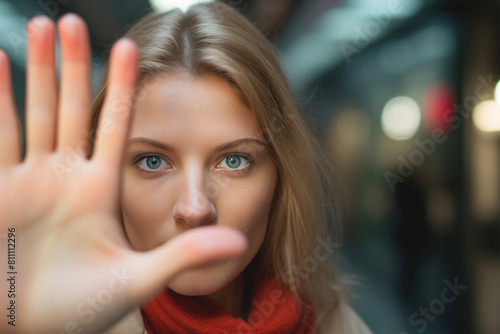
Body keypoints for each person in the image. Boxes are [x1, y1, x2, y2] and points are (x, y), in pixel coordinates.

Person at [0, 2, 372, 333]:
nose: (194, 209)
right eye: (152, 161)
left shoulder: (335, 322)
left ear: (280, 176)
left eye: (234, 160)